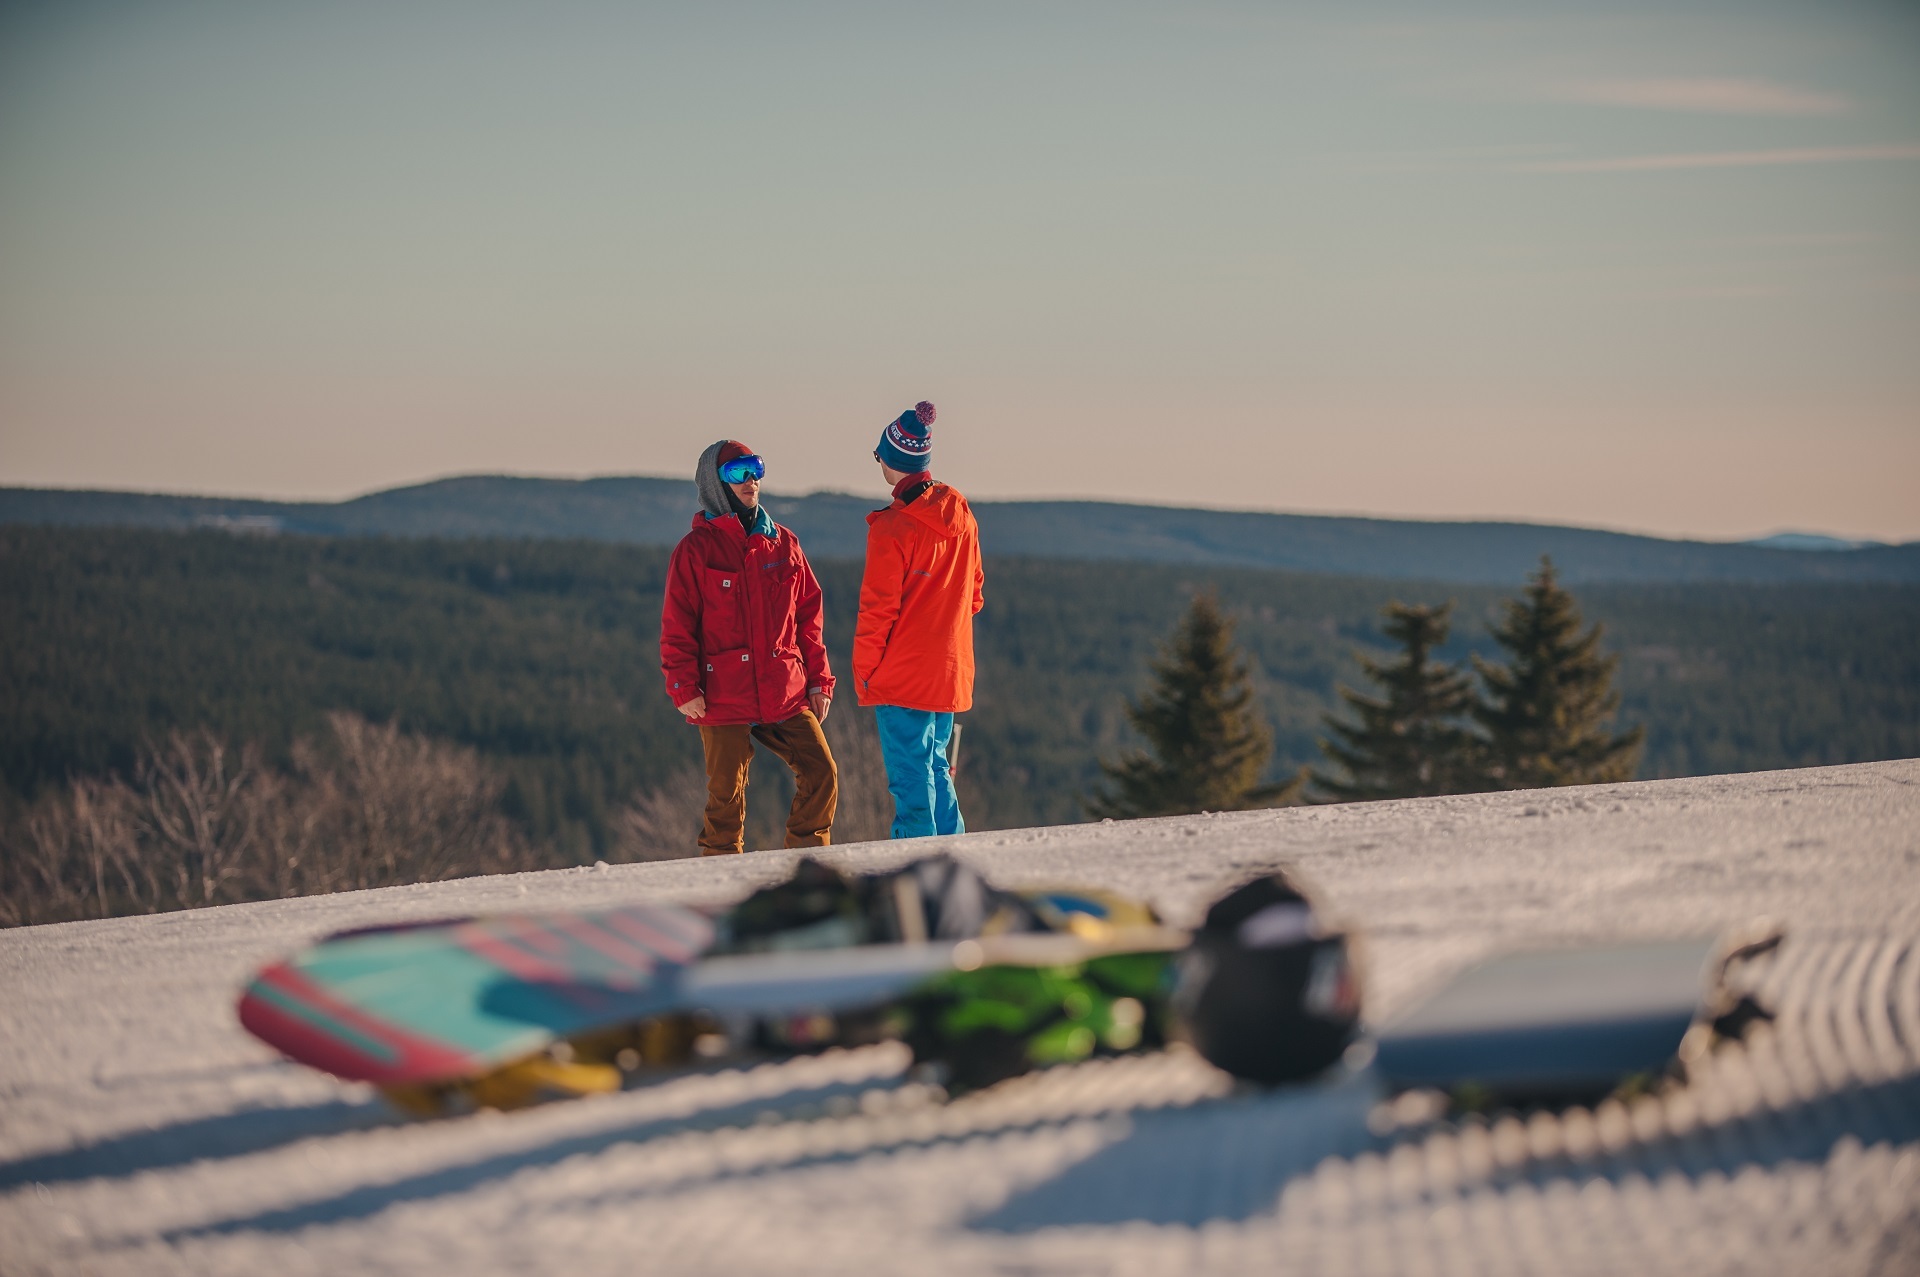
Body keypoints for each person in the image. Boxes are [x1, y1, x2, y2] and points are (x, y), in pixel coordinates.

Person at [661, 441, 837, 855]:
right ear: (715, 484)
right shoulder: (695, 551)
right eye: (739, 472)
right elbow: (677, 626)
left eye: (755, 468)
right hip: (722, 694)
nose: (752, 480)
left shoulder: (784, 543)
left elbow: (809, 618)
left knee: (822, 772)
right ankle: (722, 878)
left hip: (784, 690)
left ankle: (807, 864)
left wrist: (820, 682)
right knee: (726, 796)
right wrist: (683, 686)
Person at [853, 401, 984, 839]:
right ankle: (954, 855)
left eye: (879, 456)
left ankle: (916, 869)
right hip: (948, 673)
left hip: (902, 674)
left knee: (910, 780)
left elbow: (878, 610)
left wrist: (866, 673)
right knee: (937, 769)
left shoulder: (891, 528)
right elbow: (974, 595)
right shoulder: (960, 512)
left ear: (892, 461)